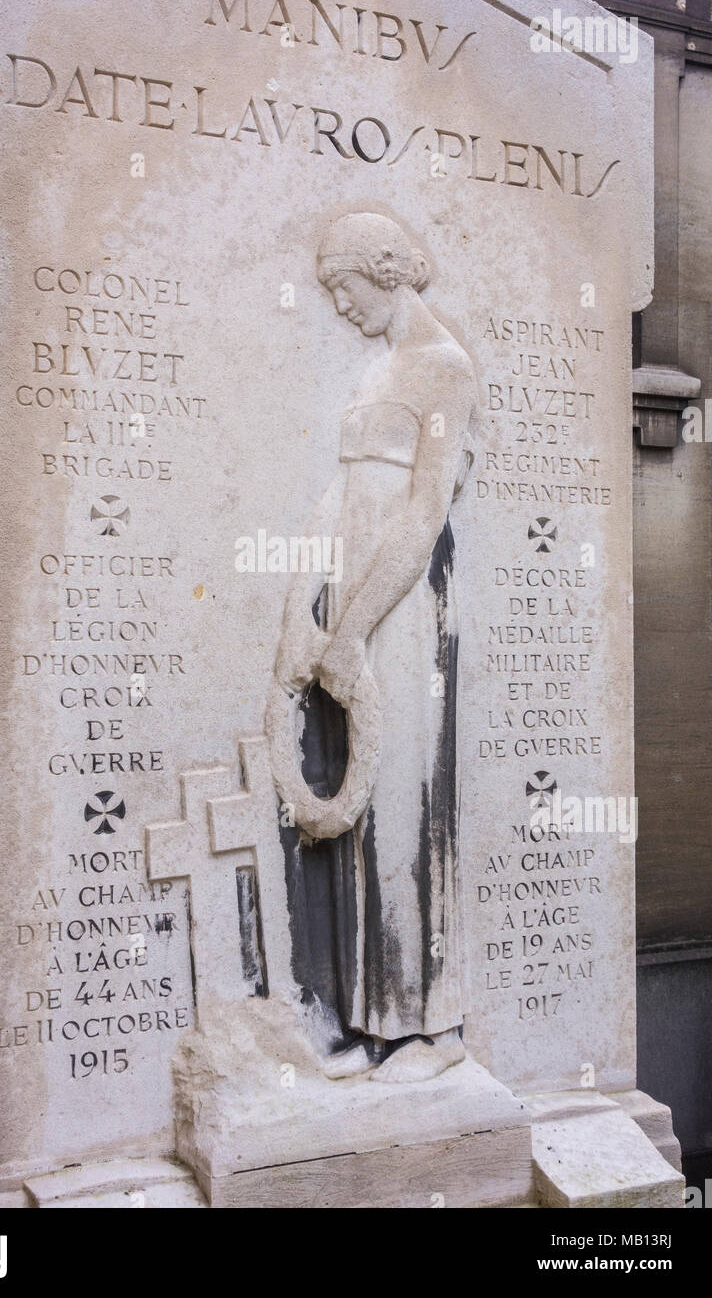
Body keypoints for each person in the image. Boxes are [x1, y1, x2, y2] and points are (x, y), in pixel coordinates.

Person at [275, 211, 477, 1083]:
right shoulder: (376, 369)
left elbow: (425, 512)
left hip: (404, 605)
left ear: (381, 271)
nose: (338, 304)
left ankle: (430, 1031)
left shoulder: (445, 370)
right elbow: (339, 496)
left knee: (403, 808)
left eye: (342, 287)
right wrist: (302, 610)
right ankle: (373, 1020)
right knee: (359, 825)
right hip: (349, 595)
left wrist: (355, 628)